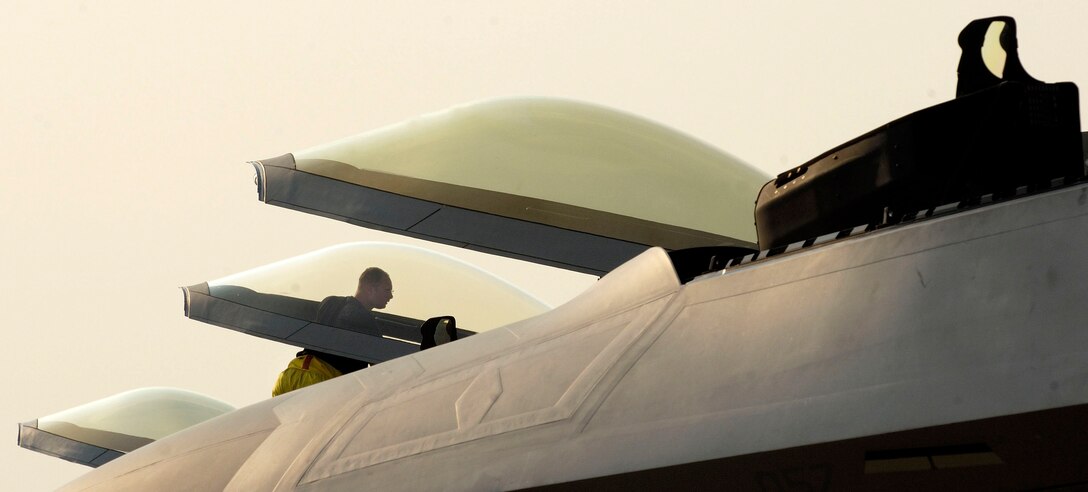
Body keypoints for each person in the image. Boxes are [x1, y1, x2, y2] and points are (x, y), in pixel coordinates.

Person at [272, 267, 394, 396]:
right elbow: (380, 368)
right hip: (319, 382)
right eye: (387, 290)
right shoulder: (368, 322)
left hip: (290, 375)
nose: (391, 296)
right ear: (370, 289)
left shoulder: (329, 302)